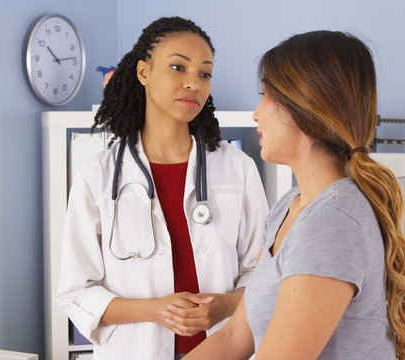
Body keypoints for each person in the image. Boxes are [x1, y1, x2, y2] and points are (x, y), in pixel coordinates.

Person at [183, 30, 405, 360]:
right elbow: (235, 337)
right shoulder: (290, 206)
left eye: (266, 95)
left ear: (304, 107)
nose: (256, 113)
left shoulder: (332, 222)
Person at [56, 17, 269, 360]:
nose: (193, 84)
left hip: (221, 349)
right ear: (143, 72)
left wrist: (224, 306)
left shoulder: (237, 169)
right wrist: (155, 309)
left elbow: (262, 273)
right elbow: (76, 292)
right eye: (177, 67)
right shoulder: (97, 176)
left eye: (204, 73)